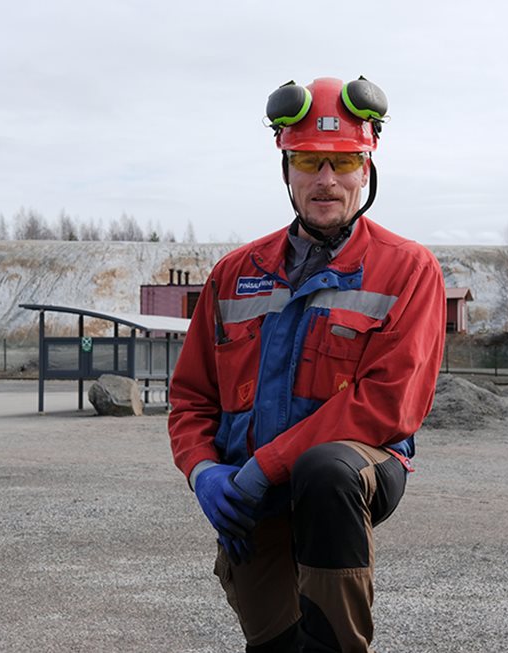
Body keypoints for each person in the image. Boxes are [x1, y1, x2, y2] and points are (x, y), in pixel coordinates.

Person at [168, 76, 446, 653]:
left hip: (354, 471)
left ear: (366, 169)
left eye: (343, 162)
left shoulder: (408, 270)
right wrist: (203, 472)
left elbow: (386, 405)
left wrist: (264, 467)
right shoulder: (233, 273)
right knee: (275, 642)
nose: (326, 180)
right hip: (251, 487)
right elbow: (191, 397)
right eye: (309, 160)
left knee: (325, 473)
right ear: (286, 168)